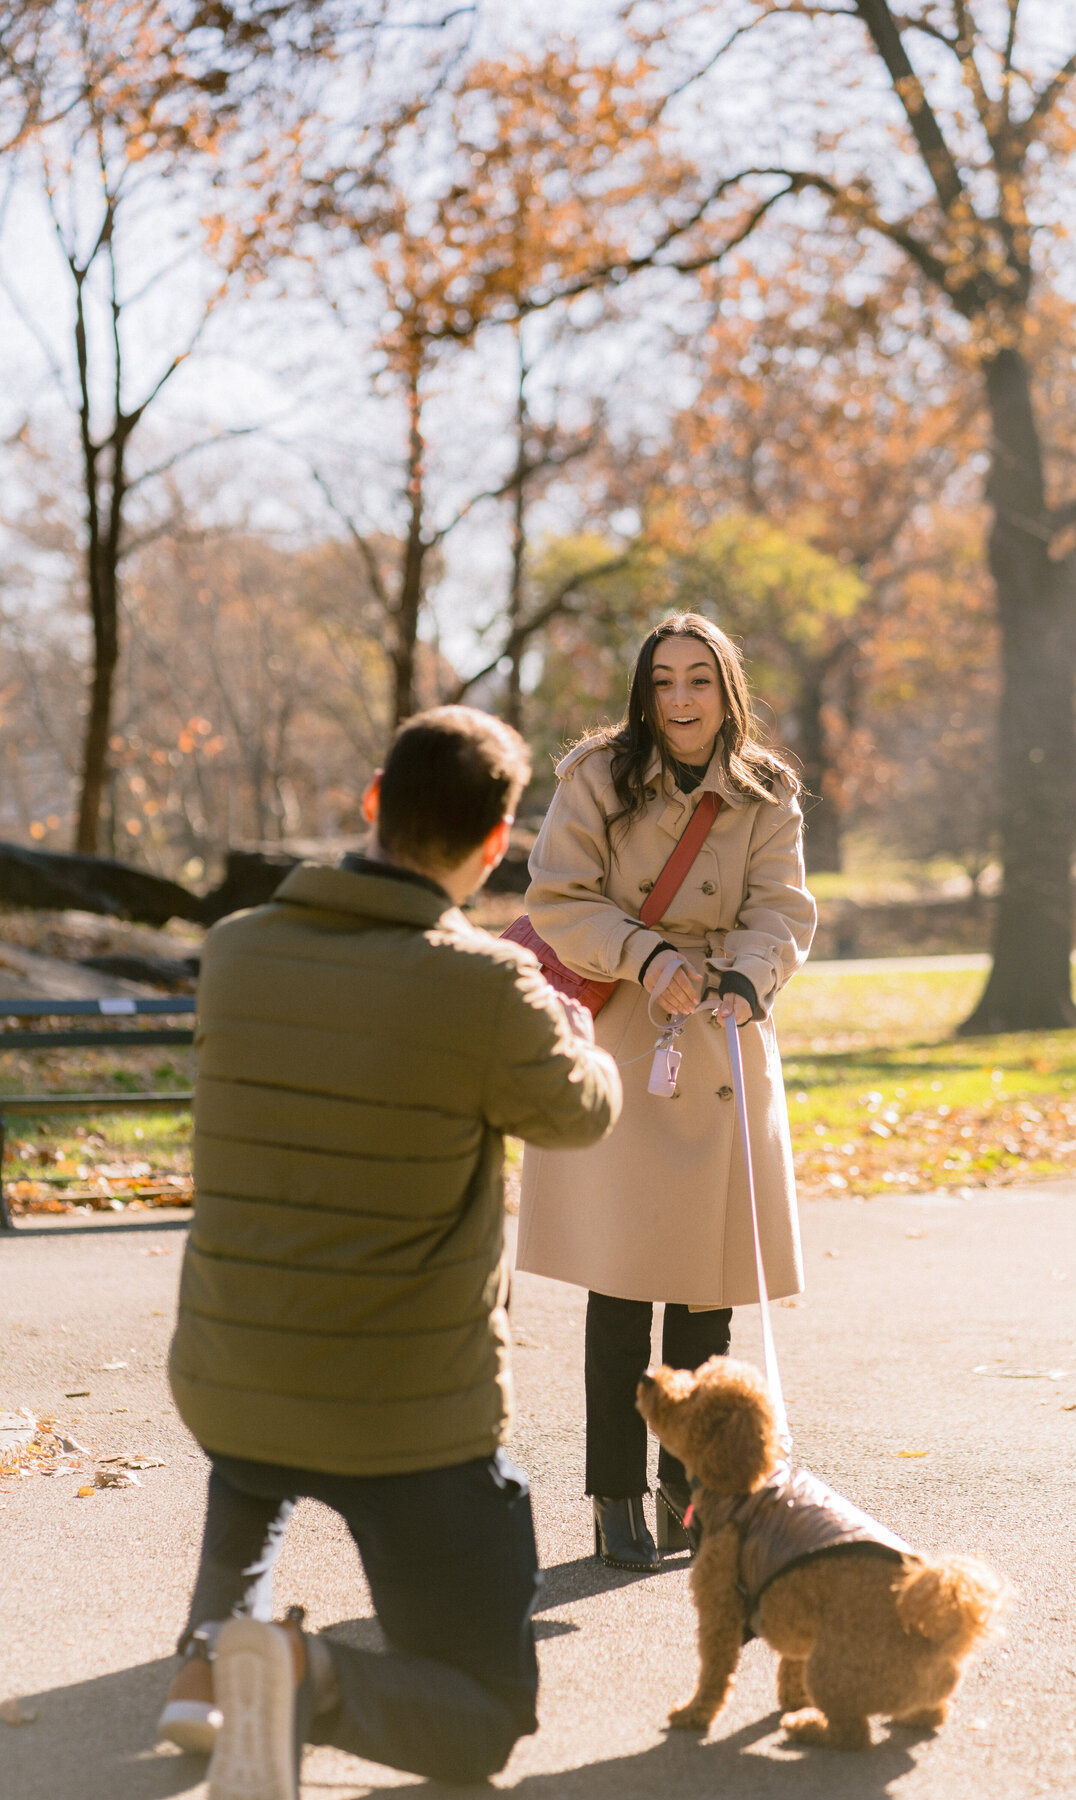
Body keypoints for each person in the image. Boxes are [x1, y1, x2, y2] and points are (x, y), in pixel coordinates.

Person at [160, 705, 621, 1799]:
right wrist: (575, 1027)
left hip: (236, 1375)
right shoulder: (487, 989)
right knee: (484, 1718)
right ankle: (300, 1673)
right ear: (498, 838)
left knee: (262, 1446)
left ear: (374, 800)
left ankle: (205, 1659)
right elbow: (582, 1114)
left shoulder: (232, 955)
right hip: (410, 1412)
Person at [516, 613, 816, 1571]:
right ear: (642, 692)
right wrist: (645, 956)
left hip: (725, 1038)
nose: (681, 701)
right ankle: (613, 1496)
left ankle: (688, 1483)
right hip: (625, 1035)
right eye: (663, 683)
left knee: (706, 1289)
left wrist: (745, 977)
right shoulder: (595, 777)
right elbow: (558, 898)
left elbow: (783, 909)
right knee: (622, 1282)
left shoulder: (768, 793)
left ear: (728, 688)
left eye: (699, 681)